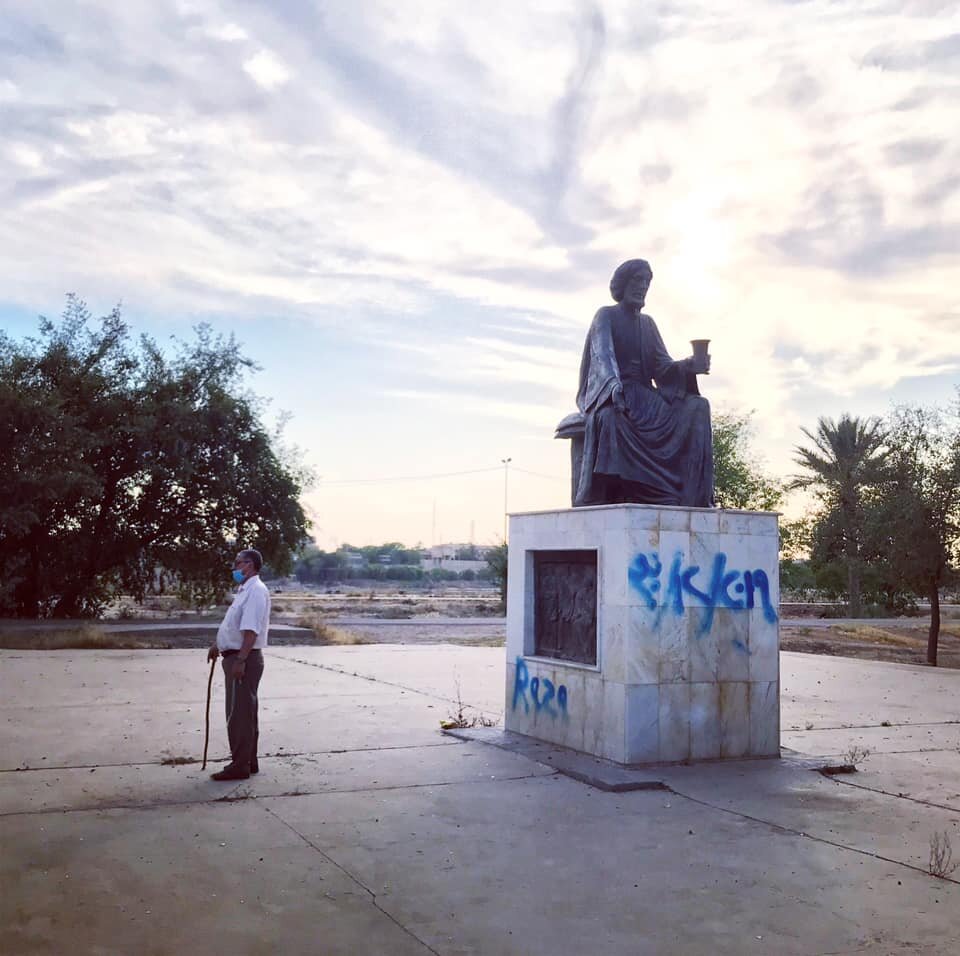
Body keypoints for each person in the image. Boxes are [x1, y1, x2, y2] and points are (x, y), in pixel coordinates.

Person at [574, 258, 714, 507]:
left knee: (698, 407)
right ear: (623, 283)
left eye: (647, 283)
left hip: (646, 397)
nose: (642, 287)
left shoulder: (647, 324)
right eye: (638, 281)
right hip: (615, 392)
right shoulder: (605, 316)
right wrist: (613, 386)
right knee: (611, 419)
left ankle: (691, 495)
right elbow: (603, 356)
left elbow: (662, 367)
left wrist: (689, 365)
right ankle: (640, 490)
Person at [207, 548, 270, 781]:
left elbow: (250, 631)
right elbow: (233, 625)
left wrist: (241, 660)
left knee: (239, 715)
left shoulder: (255, 591)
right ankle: (247, 761)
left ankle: (240, 765)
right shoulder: (245, 590)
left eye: (238, 563)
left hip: (244, 659)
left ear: (250, 565)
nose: (234, 567)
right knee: (243, 712)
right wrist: (218, 644)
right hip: (235, 655)